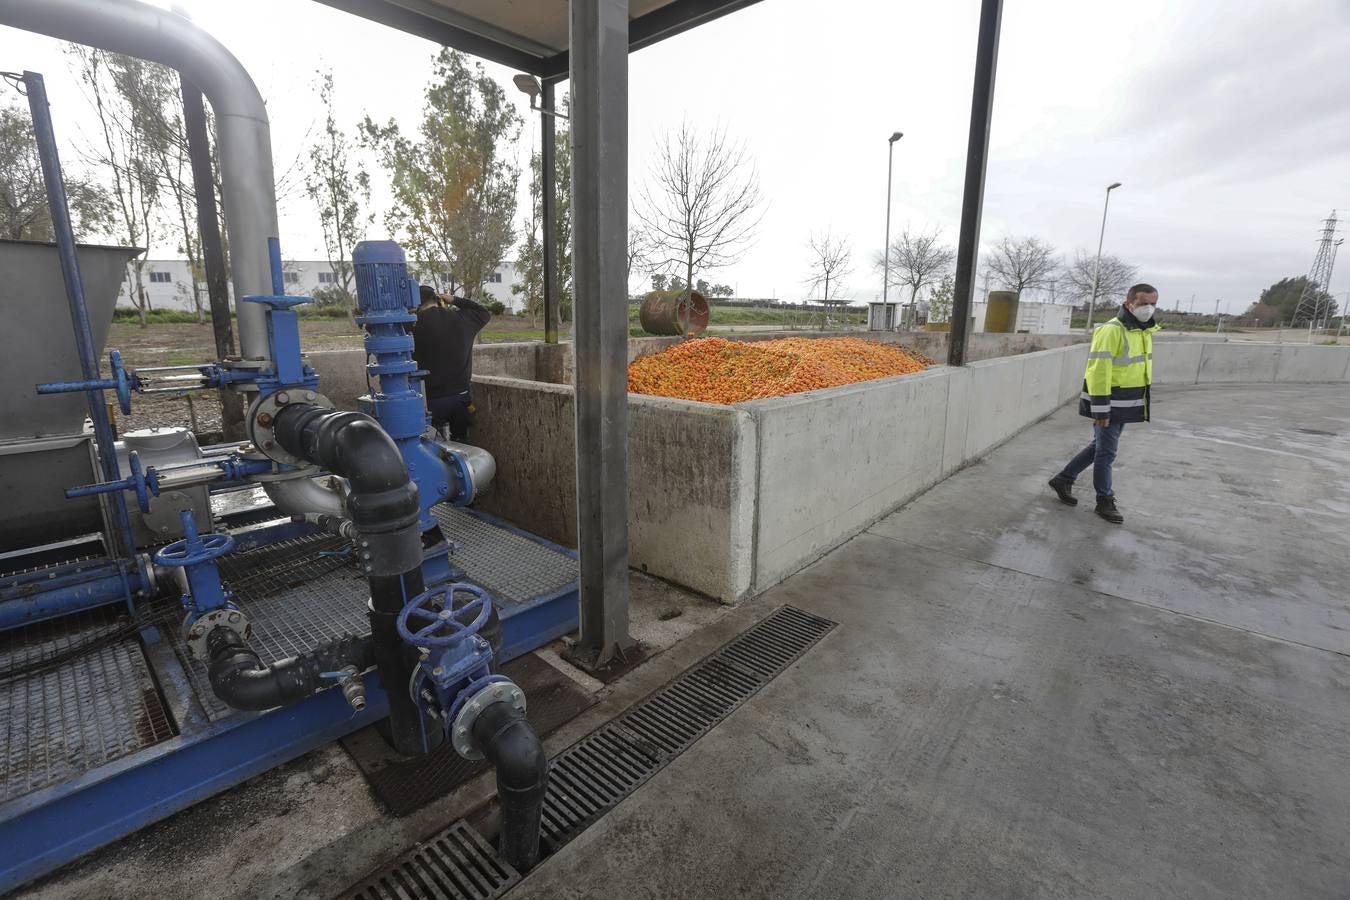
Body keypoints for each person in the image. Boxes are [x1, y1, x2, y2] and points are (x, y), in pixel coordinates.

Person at [1048, 283, 1161, 524]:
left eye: (1153, 304)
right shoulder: (1112, 330)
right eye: (1143, 304)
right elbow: (1098, 371)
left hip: (1126, 402)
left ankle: (1063, 478)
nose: (1149, 308)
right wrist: (1101, 409)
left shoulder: (1143, 331)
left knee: (1099, 447)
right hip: (1109, 402)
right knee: (1106, 453)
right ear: (1129, 303)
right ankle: (1104, 500)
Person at [412, 284, 491, 442]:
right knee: (462, 444)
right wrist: (454, 299)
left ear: (417, 304)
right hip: (461, 398)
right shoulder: (462, 319)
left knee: (434, 446)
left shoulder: (411, 326)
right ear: (438, 300)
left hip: (431, 400)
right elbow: (484, 313)